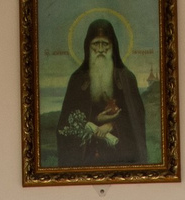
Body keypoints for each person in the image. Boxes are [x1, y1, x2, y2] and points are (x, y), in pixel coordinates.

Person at [54, 19, 147, 168]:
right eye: (96, 44)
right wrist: (95, 120)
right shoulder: (77, 80)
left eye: (105, 44)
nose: (101, 49)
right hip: (85, 158)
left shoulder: (126, 79)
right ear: (88, 47)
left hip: (119, 158)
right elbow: (65, 123)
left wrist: (111, 125)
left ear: (113, 47)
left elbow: (137, 119)